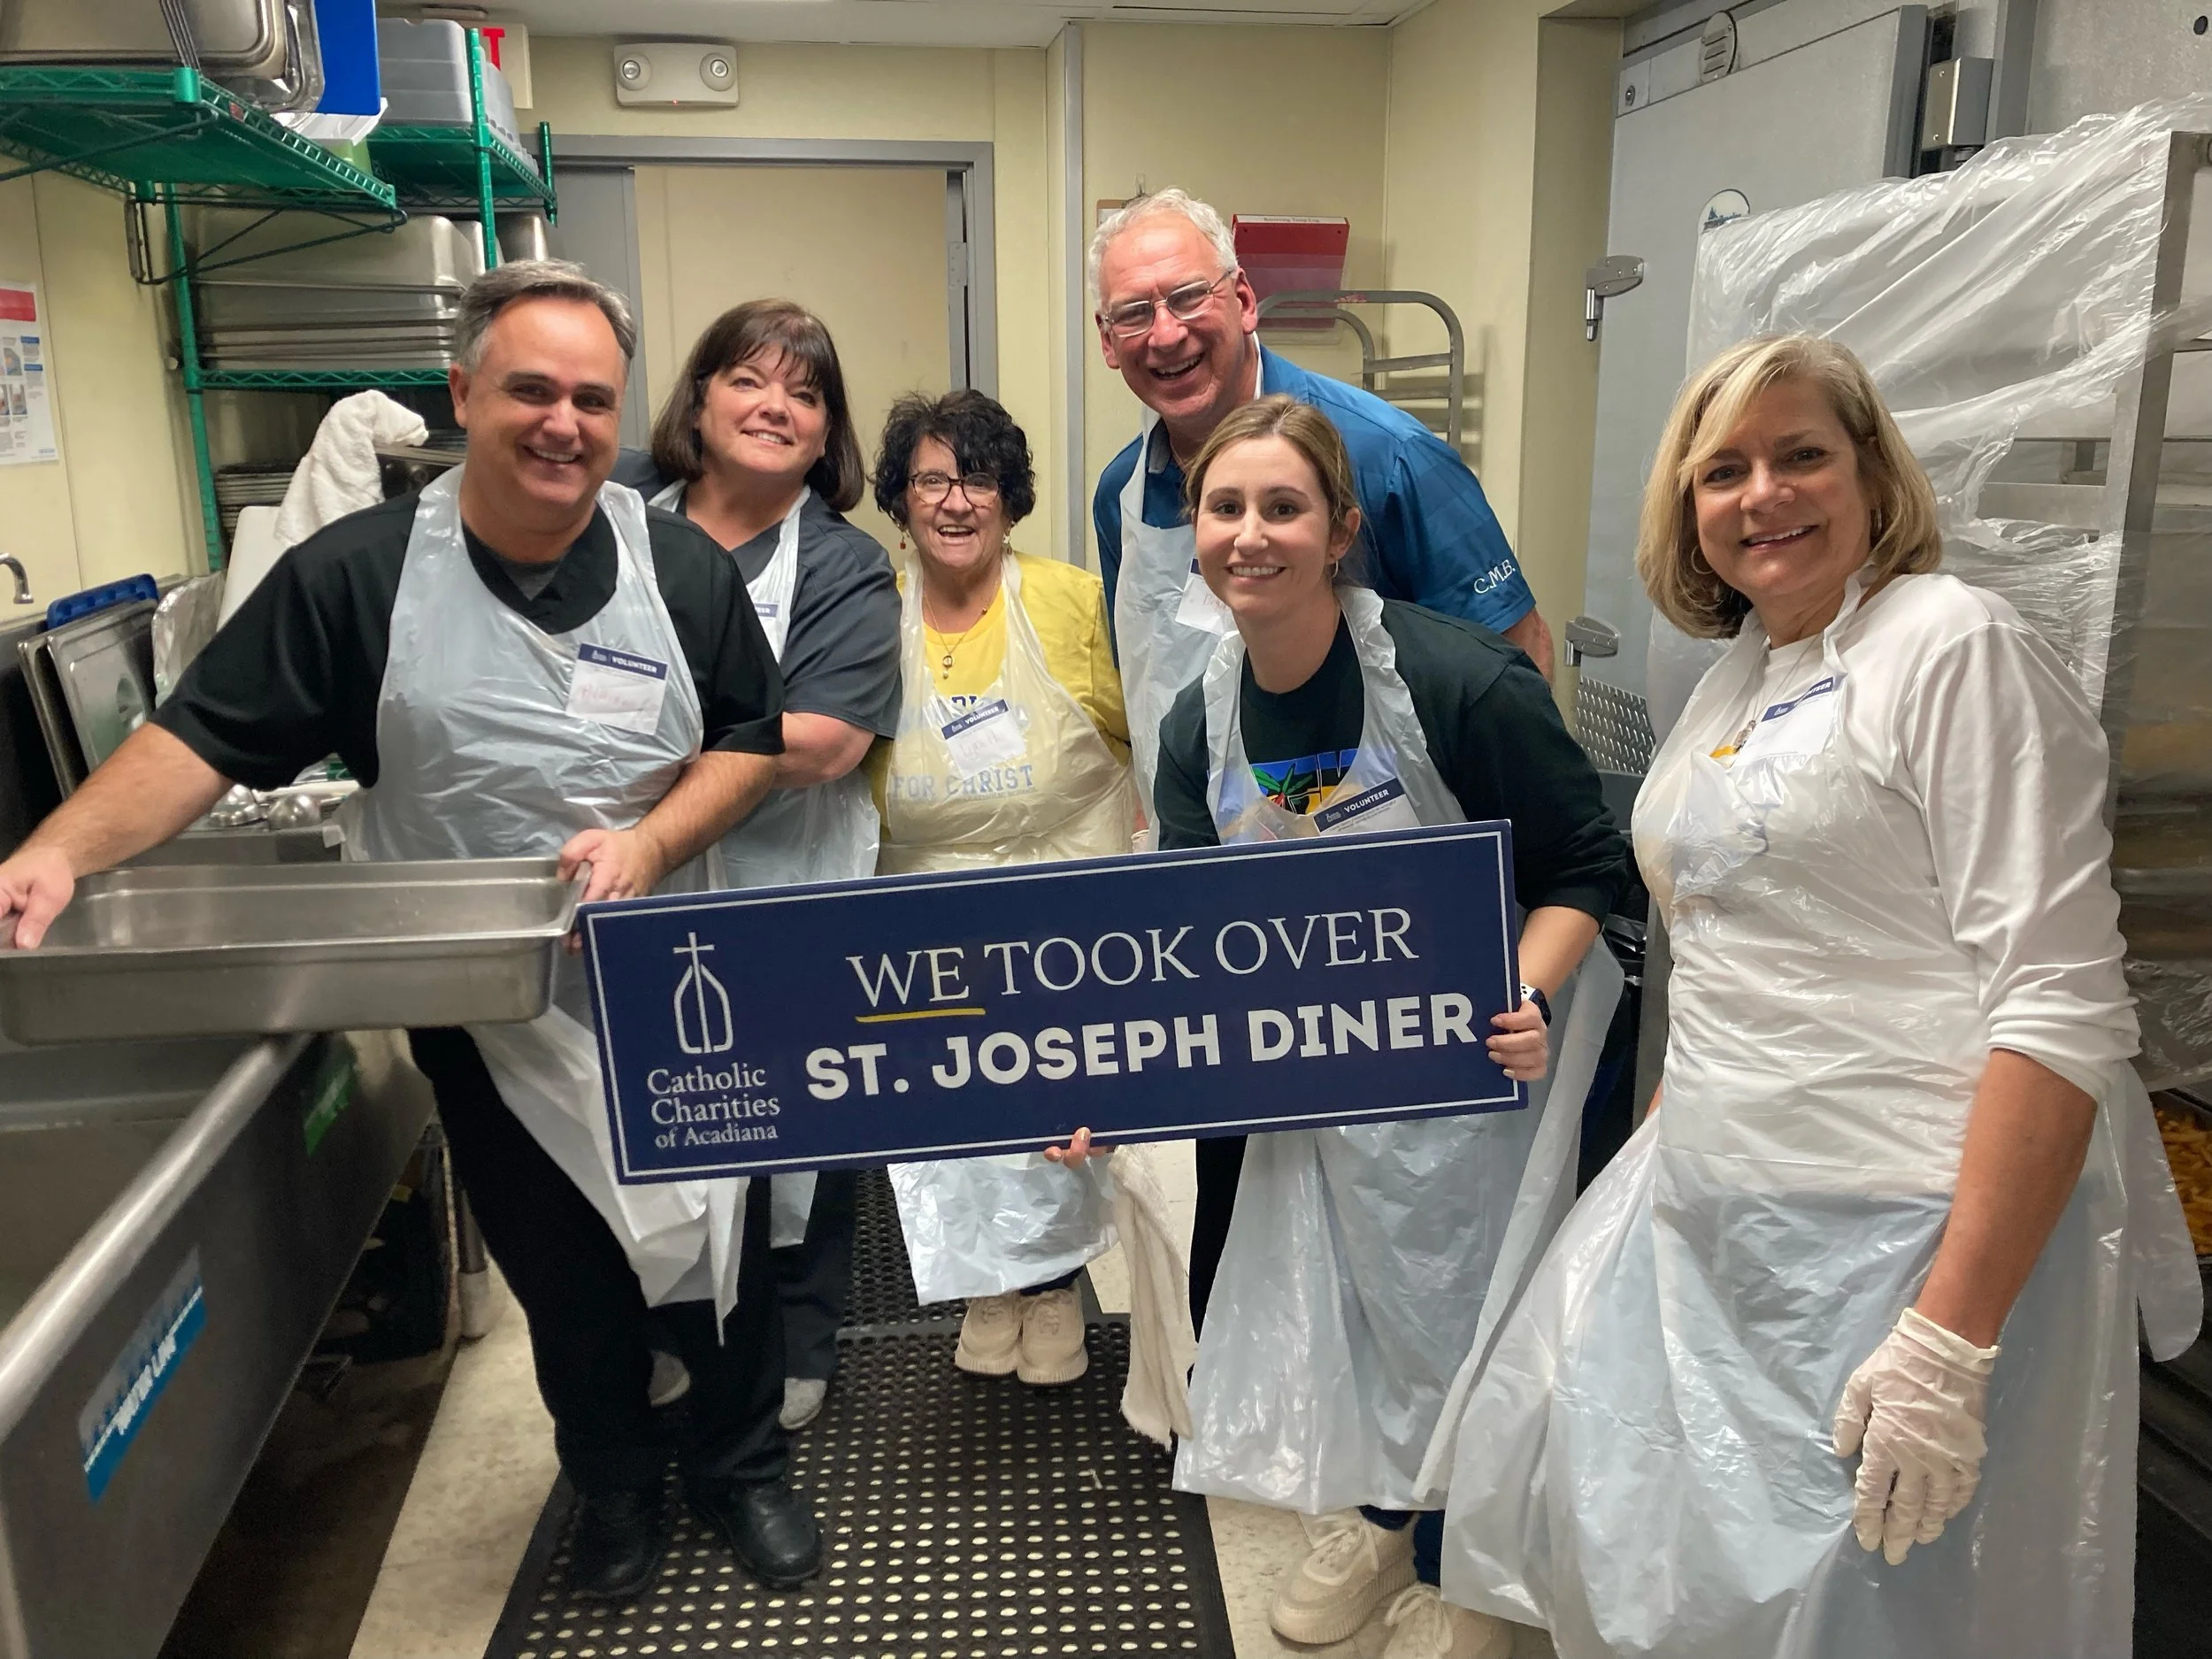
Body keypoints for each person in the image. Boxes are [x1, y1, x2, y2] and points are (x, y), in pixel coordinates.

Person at [0, 261, 828, 1604]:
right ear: (464, 394)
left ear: (622, 417)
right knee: (562, 1267)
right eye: (531, 390)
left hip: (678, 977)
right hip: (487, 997)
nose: (562, 422)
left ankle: (740, 1472)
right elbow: (201, 739)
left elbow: (747, 742)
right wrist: (54, 848)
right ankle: (613, 1481)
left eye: (591, 399)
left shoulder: (678, 566)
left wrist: (652, 841)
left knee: (717, 1249)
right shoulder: (357, 577)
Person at [1426, 334, 2201, 1658]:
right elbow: (1740, 935)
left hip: (1899, 1239)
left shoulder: (1955, 647)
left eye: (1800, 455)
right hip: (1721, 1211)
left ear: (1871, 471)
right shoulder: (1742, 673)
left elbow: (2059, 1008)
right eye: (1721, 469)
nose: (1762, 493)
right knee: (1674, 1570)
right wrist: (1675, 1130)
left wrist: (1949, 1341)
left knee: (1871, 1605)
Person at [1144, 396, 1625, 1659]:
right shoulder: (1200, 721)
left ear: (1341, 529)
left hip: (1479, 1072)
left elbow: (1588, 862)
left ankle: (1477, 1555)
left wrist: (1522, 989)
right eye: (1225, 507)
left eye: (1284, 506)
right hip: (1313, 1091)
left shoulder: (1459, 681)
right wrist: (1115, 1076)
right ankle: (1376, 1515)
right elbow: (1188, 936)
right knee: (1352, 1303)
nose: (1252, 534)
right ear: (1195, 530)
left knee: (1474, 1302)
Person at [615, 300, 902, 1433]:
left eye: (806, 392)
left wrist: (636, 751)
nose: (775, 405)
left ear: (826, 433)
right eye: (748, 379)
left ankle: (798, 1339)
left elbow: (828, 739)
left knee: (800, 1129)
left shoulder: (839, 564)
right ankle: (667, 1338)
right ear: (699, 399)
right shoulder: (618, 520)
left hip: (788, 889)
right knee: (653, 1119)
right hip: (632, 894)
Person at [1087, 188, 1553, 829]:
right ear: (1108, 341)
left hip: (1401, 856)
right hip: (1216, 865)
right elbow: (1145, 687)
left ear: (1244, 300)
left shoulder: (1388, 456)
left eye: (1190, 296)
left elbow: (1516, 654)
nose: (1167, 334)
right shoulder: (1123, 496)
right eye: (1134, 313)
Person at [871, 388, 1137, 1386]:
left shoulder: (1070, 600)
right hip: (926, 904)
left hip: (1064, 895)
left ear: (1010, 499)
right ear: (900, 499)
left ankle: (1054, 1284)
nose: (954, 502)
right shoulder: (869, 614)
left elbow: (1143, 733)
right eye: (930, 479)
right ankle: (985, 1284)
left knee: (1058, 1101)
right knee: (954, 1107)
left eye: (976, 479)